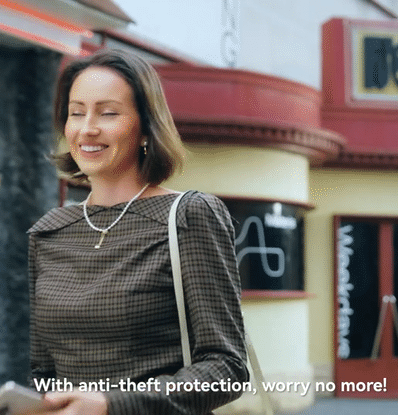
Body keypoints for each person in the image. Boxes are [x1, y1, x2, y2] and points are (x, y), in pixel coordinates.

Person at [26, 48, 248, 415]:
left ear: (146, 127)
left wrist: (113, 404)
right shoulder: (49, 232)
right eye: (76, 113)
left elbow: (227, 368)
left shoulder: (189, 215)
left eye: (108, 113)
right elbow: (44, 372)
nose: (87, 128)